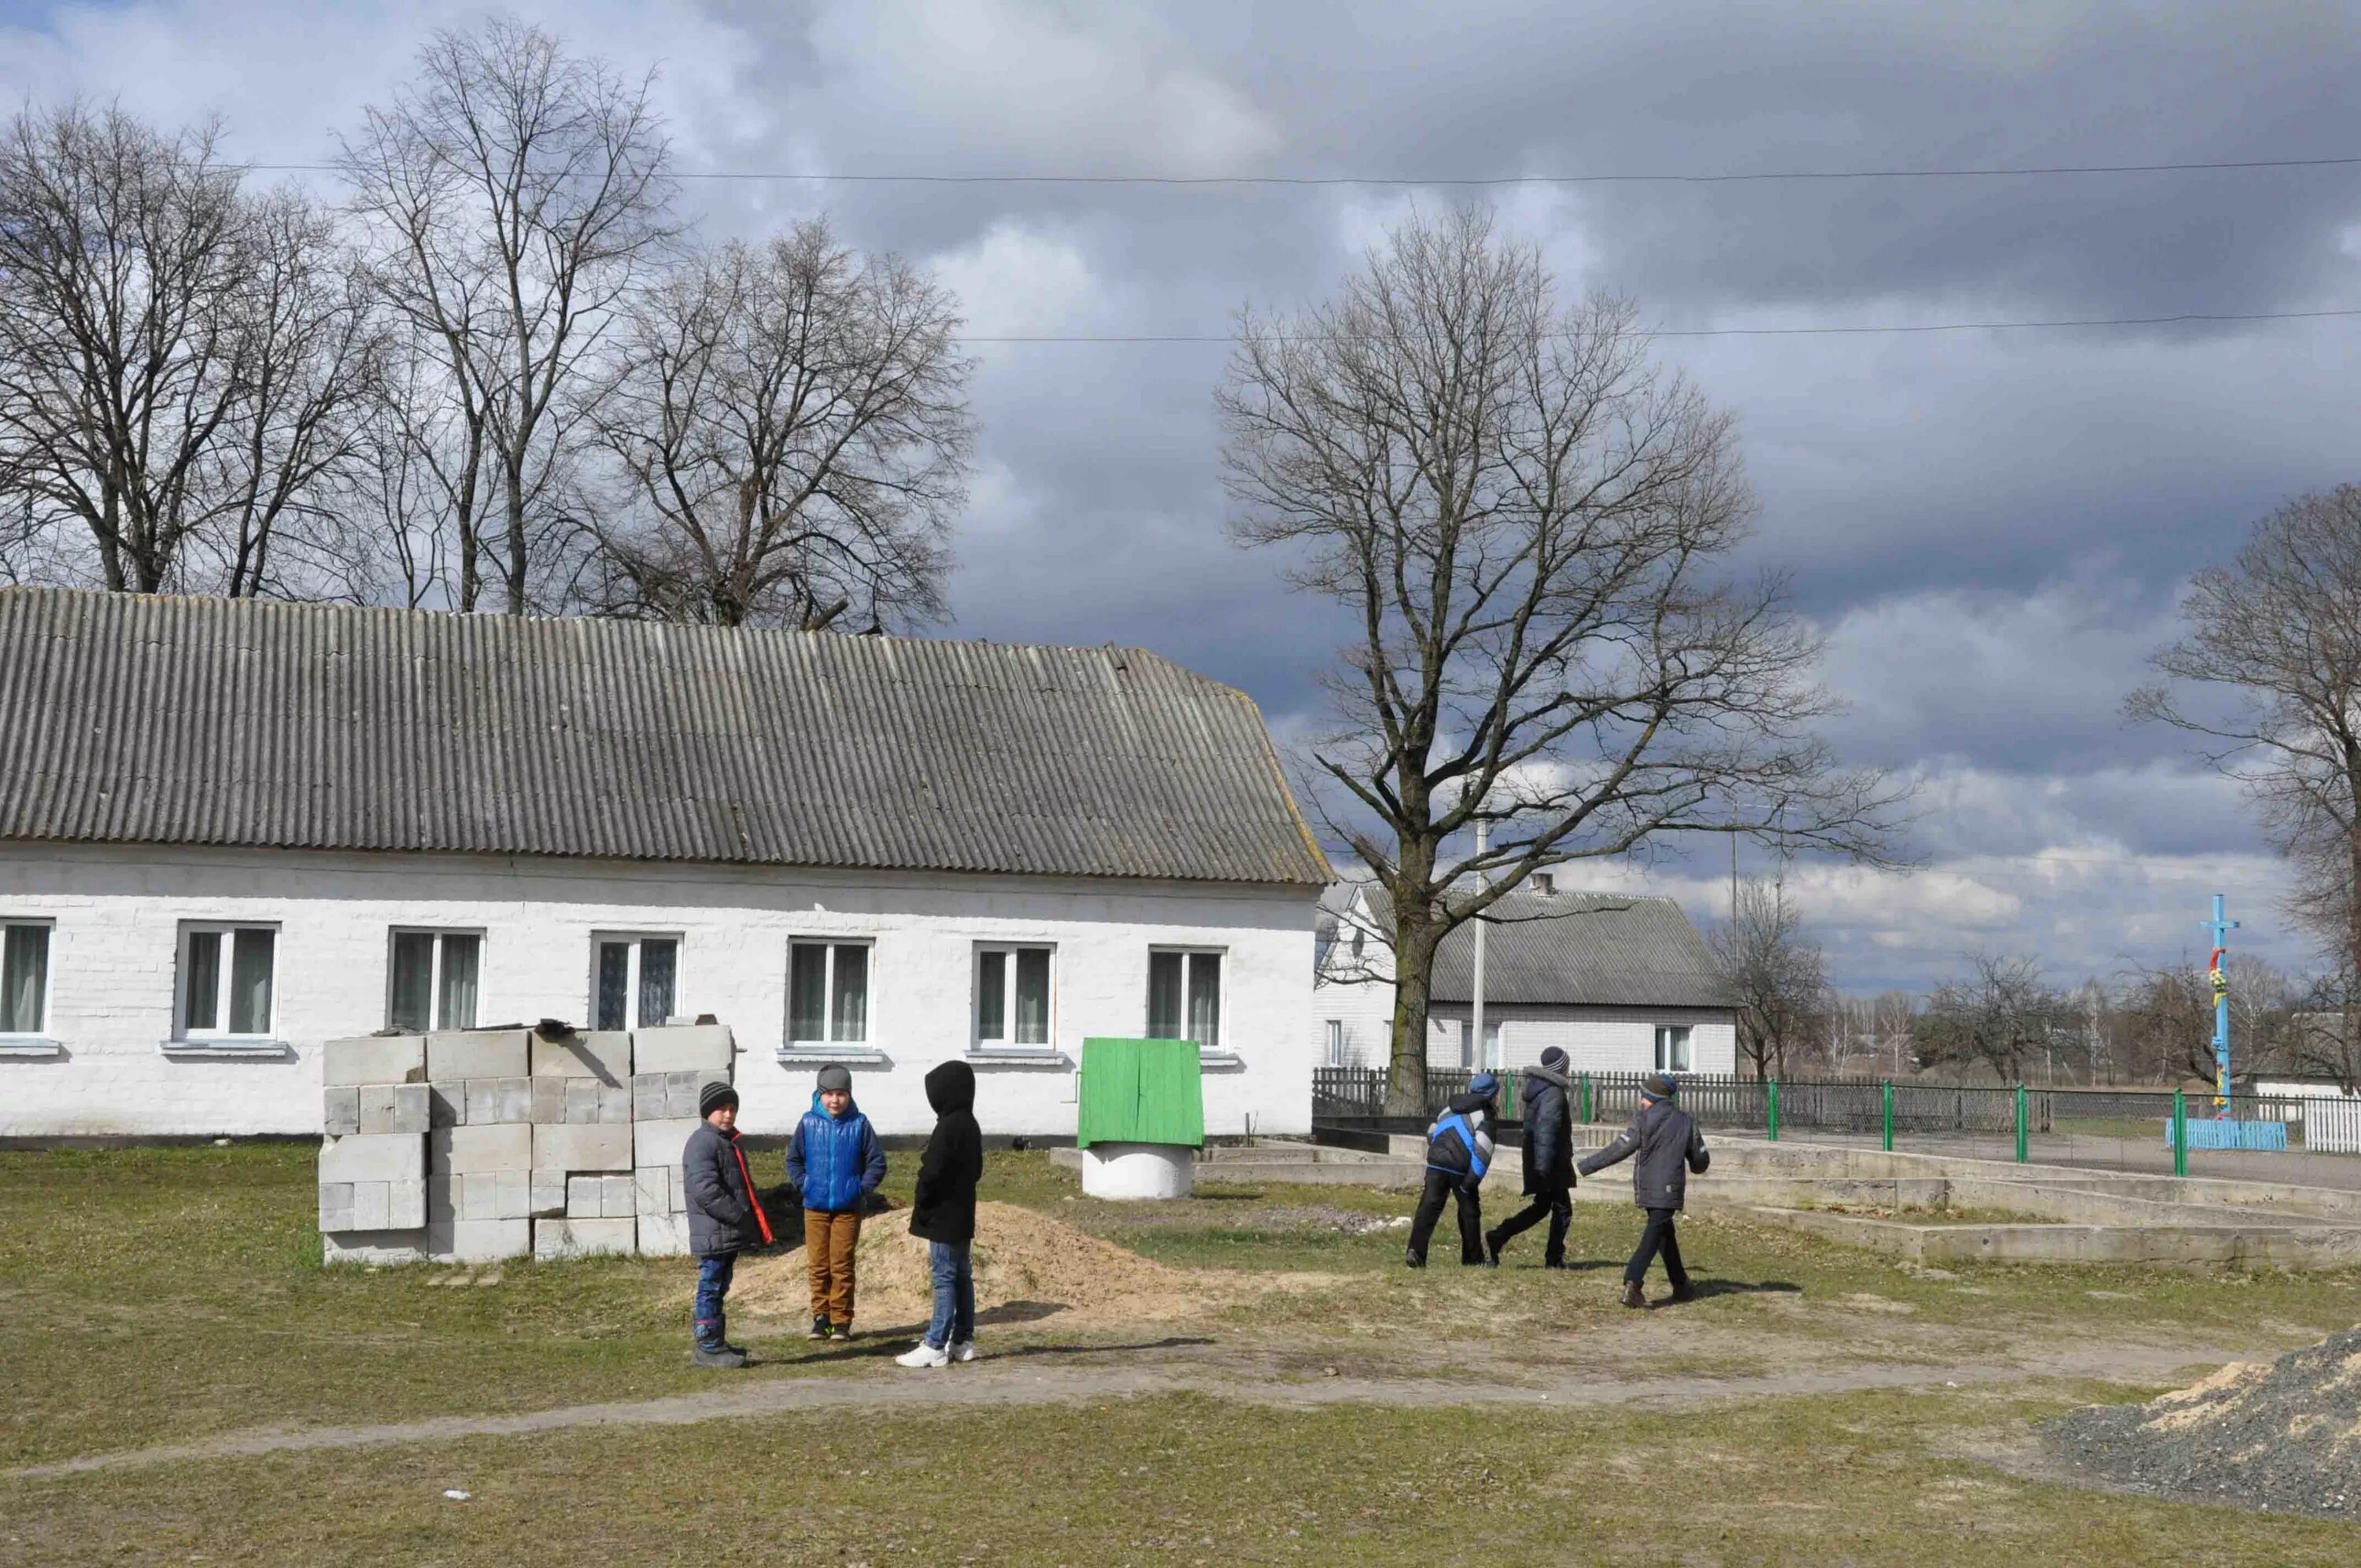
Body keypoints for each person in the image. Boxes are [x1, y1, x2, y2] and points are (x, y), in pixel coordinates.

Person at [1577, 1071, 1710, 1308]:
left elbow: (1619, 1148)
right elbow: (1700, 1161)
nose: (1641, 1101)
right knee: (1660, 1230)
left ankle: (1668, 1285)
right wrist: (1697, 1159)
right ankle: (1637, 1284)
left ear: (1655, 1098)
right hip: (1669, 1188)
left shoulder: (1643, 1120)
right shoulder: (1685, 1121)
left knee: (1661, 1231)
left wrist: (1588, 1165)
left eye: (1644, 1096)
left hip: (1648, 1187)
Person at [785, 1063, 886, 1341]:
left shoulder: (860, 1124)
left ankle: (841, 1321)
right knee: (818, 1264)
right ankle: (822, 1318)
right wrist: (805, 1184)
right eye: (829, 1094)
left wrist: (859, 1188)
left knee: (841, 1264)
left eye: (841, 1094)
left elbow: (877, 1162)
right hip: (815, 1207)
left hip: (848, 1209)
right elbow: (793, 1160)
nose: (835, 1100)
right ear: (819, 1095)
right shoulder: (808, 1123)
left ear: (850, 1095)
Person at [896, 1060, 985, 1369]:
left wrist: (923, 1198)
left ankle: (935, 1343)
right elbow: (976, 1170)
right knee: (962, 1277)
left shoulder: (947, 1127)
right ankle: (963, 1340)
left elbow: (932, 1173)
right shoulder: (970, 1124)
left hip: (943, 1216)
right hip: (963, 1214)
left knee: (944, 1279)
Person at [682, 1081, 773, 1369]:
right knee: (710, 1287)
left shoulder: (726, 1142)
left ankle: (715, 1342)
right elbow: (706, 1190)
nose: (728, 1115)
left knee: (719, 1287)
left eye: (732, 1109)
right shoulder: (703, 1142)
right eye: (722, 1109)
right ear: (708, 1112)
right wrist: (738, 1215)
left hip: (724, 1233)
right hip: (713, 1231)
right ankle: (708, 1346)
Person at [1486, 1046, 1576, 1267]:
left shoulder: (1541, 1089)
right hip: (1550, 1163)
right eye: (1567, 1065)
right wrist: (1544, 1168)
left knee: (1543, 1207)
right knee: (1562, 1209)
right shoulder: (1553, 1093)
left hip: (1542, 1160)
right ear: (1561, 1068)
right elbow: (1547, 1130)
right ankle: (1553, 1259)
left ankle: (1498, 1236)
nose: (1569, 1069)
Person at [1404, 1070, 1498, 1267]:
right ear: (1491, 1095)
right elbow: (1483, 1153)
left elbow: (1432, 1134)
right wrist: (1469, 1184)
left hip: (1436, 1164)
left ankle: (1415, 1252)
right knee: (1469, 1211)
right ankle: (1472, 1260)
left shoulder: (1447, 1109)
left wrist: (1442, 1152)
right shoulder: (1484, 1115)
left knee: (1428, 1208)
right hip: (1460, 1167)